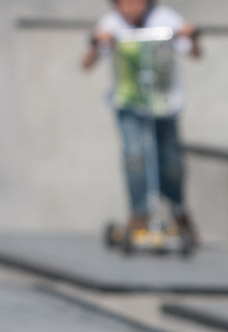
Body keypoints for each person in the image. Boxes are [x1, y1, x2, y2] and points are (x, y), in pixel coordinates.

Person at [81, 0, 200, 243]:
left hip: (163, 101)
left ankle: (177, 210)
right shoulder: (111, 24)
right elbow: (86, 64)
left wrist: (191, 35)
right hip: (130, 103)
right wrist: (97, 42)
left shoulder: (165, 18)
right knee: (134, 156)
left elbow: (195, 52)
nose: (132, 7)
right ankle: (139, 215)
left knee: (171, 162)